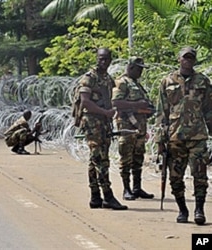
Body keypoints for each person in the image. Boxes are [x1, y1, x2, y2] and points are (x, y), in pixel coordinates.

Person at [155, 46, 212, 225]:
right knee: (175, 177)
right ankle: (182, 209)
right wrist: (160, 141)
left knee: (200, 176)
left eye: (191, 58)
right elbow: (161, 113)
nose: (188, 60)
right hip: (174, 137)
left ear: (194, 60)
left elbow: (209, 111)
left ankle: (199, 210)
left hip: (198, 136)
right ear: (179, 59)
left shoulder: (203, 81)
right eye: (185, 58)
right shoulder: (167, 81)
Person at [77, 48, 128, 210]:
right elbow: (85, 102)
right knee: (101, 160)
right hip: (92, 122)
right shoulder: (89, 78)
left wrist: (111, 113)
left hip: (104, 122)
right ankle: (107, 195)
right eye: (101, 58)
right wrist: (105, 112)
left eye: (106, 59)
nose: (103, 61)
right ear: (96, 59)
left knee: (95, 159)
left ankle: (95, 196)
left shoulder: (107, 79)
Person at [112, 57, 155, 201]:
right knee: (126, 158)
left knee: (138, 157)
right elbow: (116, 102)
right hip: (127, 126)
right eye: (138, 69)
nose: (141, 72)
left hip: (140, 127)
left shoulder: (137, 84)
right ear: (130, 68)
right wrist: (137, 106)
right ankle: (126, 189)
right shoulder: (122, 82)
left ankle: (137, 187)